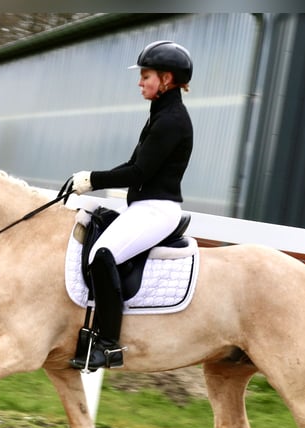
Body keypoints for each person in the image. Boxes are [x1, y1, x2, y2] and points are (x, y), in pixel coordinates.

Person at [68, 40, 194, 370]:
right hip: (143, 206)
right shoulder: (161, 116)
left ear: (166, 79)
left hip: (157, 209)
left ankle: (108, 344)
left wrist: (92, 179)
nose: (140, 82)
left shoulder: (172, 122)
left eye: (146, 76)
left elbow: (138, 172)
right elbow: (134, 163)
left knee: (102, 255)